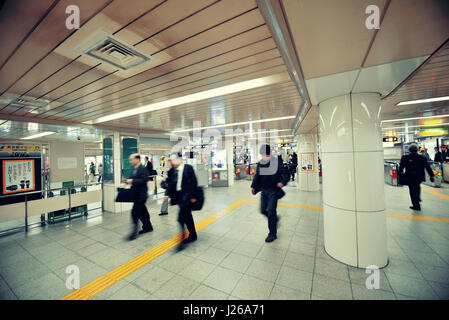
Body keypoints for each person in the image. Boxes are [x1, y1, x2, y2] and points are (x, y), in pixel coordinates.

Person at [251, 144, 290, 242]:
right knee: (263, 210)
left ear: (268, 154)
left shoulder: (276, 162)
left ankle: (272, 233)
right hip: (264, 191)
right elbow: (257, 175)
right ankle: (275, 220)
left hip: (273, 191)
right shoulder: (261, 163)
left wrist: (282, 182)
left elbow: (286, 173)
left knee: (271, 212)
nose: (262, 156)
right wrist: (253, 186)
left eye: (263, 154)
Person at [166, 152, 199, 250]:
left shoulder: (188, 168)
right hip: (178, 197)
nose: (172, 161)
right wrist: (166, 194)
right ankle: (193, 234)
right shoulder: (172, 170)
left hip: (187, 196)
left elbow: (194, 182)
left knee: (181, 218)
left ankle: (181, 241)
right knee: (187, 216)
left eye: (173, 159)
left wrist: (193, 196)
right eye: (171, 159)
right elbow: (171, 183)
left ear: (180, 159)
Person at [123, 154, 153, 240]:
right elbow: (132, 178)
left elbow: (144, 180)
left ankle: (134, 233)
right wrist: (127, 181)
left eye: (132, 159)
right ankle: (148, 227)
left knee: (134, 213)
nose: (131, 161)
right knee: (143, 212)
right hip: (136, 194)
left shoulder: (143, 168)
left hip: (141, 195)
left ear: (137, 159)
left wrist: (132, 180)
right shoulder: (134, 169)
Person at [399, 144, 435, 211]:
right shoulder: (422, 157)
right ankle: (417, 198)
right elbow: (428, 167)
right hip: (419, 177)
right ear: (417, 150)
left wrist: (400, 174)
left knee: (412, 190)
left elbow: (401, 167)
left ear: (409, 150)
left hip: (410, 177)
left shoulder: (405, 157)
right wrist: (431, 175)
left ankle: (416, 206)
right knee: (417, 187)